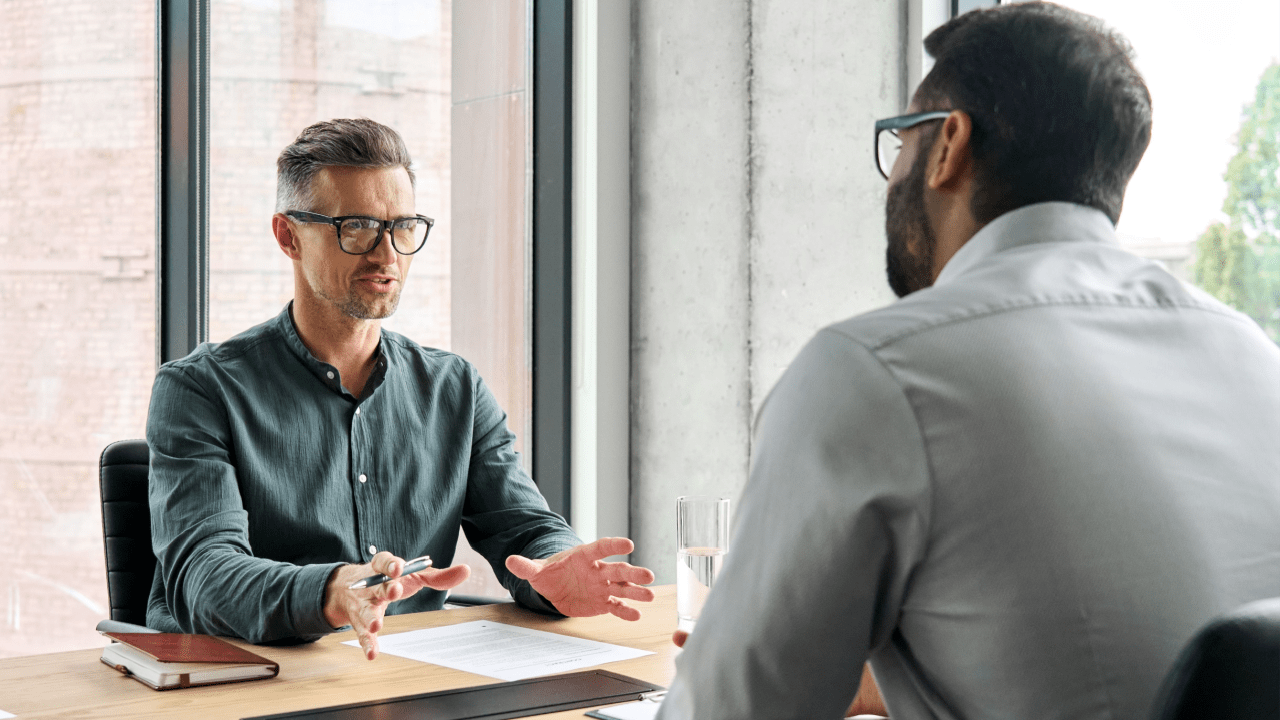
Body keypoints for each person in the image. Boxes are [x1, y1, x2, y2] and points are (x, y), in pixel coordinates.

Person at [658, 4, 1280, 719]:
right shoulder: (1252, 355)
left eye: (901, 144)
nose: (895, 176)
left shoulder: (877, 372)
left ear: (948, 143)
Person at [146, 118, 654, 659]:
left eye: (403, 226)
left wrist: (555, 566)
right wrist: (332, 593)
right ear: (288, 235)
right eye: (358, 226)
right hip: (253, 691)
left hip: (410, 684)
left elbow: (524, 530)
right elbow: (204, 575)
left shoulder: (453, 388)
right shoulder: (199, 390)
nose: (387, 254)